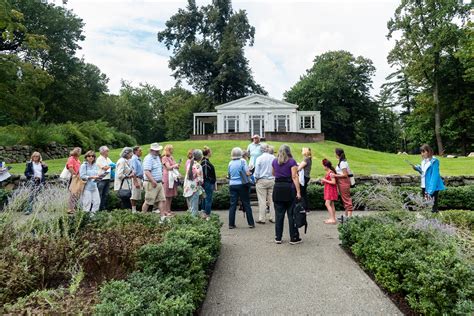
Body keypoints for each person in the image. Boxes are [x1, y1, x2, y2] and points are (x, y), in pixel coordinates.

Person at [272, 144, 302, 244]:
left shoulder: (274, 161)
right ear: (289, 151)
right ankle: (294, 237)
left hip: (277, 188)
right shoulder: (291, 161)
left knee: (279, 215)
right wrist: (298, 191)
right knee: (291, 214)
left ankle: (278, 237)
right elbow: (294, 177)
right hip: (289, 189)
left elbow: (273, 173)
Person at [227, 147, 255, 229]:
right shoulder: (242, 161)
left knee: (232, 205)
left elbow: (229, 174)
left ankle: (231, 224)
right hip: (242, 184)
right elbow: (247, 173)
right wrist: (251, 171)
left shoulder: (230, 163)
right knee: (246, 203)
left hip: (232, 184)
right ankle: (251, 223)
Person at [413, 144, 445, 213]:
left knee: (432, 207)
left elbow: (434, 176)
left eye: (423, 152)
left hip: (431, 187)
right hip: (424, 186)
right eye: (421, 152)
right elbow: (424, 173)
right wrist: (417, 168)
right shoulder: (423, 161)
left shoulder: (434, 161)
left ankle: (435, 222)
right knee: (426, 206)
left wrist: (430, 191)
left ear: (428, 151)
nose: (422, 154)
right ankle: (428, 222)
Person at [141, 143, 167, 215]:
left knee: (162, 200)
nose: (158, 152)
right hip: (151, 183)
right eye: (156, 151)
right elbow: (146, 171)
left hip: (158, 182)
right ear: (151, 150)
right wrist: (153, 181)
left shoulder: (157, 157)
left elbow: (159, 169)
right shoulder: (148, 158)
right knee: (148, 201)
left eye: (158, 150)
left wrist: (161, 179)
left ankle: (162, 217)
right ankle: (142, 217)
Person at [254, 143, 275, 224]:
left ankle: (262, 218)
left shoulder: (259, 158)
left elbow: (256, 172)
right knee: (272, 200)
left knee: (262, 200)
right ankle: (273, 218)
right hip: (272, 180)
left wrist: (256, 179)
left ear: (261, 150)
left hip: (261, 180)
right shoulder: (273, 157)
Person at [334, 148, 353, 221]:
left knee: (346, 198)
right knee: (344, 198)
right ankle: (346, 215)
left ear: (337, 154)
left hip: (344, 182)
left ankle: (349, 217)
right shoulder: (342, 162)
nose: (334, 154)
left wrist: (335, 175)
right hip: (342, 182)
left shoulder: (342, 163)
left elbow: (345, 174)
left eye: (335, 153)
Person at [183, 149, 204, 216]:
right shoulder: (198, 166)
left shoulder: (190, 164)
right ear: (200, 157)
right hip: (194, 189)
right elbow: (200, 180)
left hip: (187, 189)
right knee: (194, 210)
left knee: (191, 209)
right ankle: (193, 225)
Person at [162, 144, 180, 216]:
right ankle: (165, 211)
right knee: (166, 195)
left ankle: (169, 210)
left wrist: (177, 166)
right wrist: (175, 166)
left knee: (170, 195)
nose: (173, 150)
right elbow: (168, 167)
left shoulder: (171, 157)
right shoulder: (164, 158)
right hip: (167, 177)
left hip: (172, 177)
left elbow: (174, 165)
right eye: (172, 149)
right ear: (168, 150)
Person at [320, 159, 338, 224]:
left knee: (327, 204)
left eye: (323, 166)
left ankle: (332, 219)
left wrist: (324, 180)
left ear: (326, 166)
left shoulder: (331, 173)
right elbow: (328, 181)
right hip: (328, 189)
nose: (323, 167)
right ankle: (332, 218)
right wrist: (323, 181)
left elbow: (333, 182)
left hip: (330, 190)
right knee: (331, 204)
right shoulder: (328, 172)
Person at [201, 146, 216, 219]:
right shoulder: (205, 162)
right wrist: (211, 181)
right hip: (207, 183)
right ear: (208, 153)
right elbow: (206, 174)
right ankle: (207, 214)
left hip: (206, 182)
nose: (211, 153)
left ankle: (204, 212)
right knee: (208, 199)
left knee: (205, 198)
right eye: (211, 151)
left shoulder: (204, 161)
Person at [96, 146, 112, 211]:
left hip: (107, 178)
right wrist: (111, 166)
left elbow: (112, 165)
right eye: (107, 151)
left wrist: (111, 166)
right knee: (99, 194)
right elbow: (104, 168)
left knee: (105, 194)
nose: (108, 152)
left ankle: (103, 208)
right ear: (102, 152)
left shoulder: (108, 159)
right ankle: (97, 209)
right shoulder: (99, 159)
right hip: (101, 178)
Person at [66, 147, 82, 214]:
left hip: (78, 177)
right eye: (78, 151)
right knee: (73, 193)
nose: (78, 152)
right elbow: (70, 168)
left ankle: (75, 207)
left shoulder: (78, 160)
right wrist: (75, 174)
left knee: (77, 193)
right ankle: (70, 209)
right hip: (74, 177)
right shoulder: (71, 158)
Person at [297, 147, 312, 212]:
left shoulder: (306, 159)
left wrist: (297, 165)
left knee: (302, 193)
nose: (302, 152)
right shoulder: (309, 159)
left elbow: (299, 168)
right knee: (304, 193)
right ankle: (307, 208)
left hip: (304, 177)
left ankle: (304, 208)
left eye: (302, 151)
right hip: (307, 176)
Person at [130, 146, 143, 213]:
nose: (141, 152)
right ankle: (133, 210)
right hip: (136, 178)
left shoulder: (138, 159)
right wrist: (135, 182)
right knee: (134, 195)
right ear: (135, 151)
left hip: (139, 178)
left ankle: (134, 209)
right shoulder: (134, 159)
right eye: (140, 151)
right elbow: (133, 171)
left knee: (137, 195)